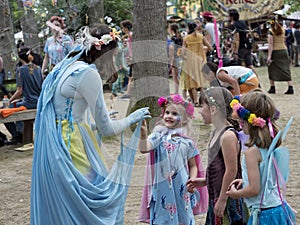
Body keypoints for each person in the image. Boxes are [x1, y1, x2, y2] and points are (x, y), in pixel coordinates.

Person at [30, 24, 151, 225]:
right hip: (70, 145)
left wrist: (93, 125)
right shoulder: (88, 74)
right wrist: (132, 118)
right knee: (88, 200)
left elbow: (68, 112)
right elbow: (107, 129)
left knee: (67, 201)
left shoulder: (66, 66)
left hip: (55, 141)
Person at [226, 92, 296, 225]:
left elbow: (254, 189)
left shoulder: (251, 152)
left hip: (264, 214)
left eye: (241, 121)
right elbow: (266, 176)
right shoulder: (270, 144)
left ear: (247, 122)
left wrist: (236, 194)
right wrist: (245, 180)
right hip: (277, 208)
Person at [138, 94, 208, 224]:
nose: (169, 116)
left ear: (185, 119)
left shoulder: (187, 142)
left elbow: (193, 165)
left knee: (183, 217)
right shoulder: (157, 136)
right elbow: (144, 148)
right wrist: (143, 134)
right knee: (163, 217)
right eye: (167, 112)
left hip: (182, 188)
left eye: (175, 114)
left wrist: (192, 180)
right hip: (162, 189)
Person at [187, 87, 249, 225]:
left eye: (202, 106)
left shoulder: (227, 136)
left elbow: (231, 170)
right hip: (215, 196)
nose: (200, 111)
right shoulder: (216, 132)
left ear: (213, 109)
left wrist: (222, 200)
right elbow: (219, 167)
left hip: (228, 199)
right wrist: (204, 181)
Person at [4, 47, 43, 145]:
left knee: (6, 110)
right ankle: (21, 131)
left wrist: (10, 100)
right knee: (16, 106)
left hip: (29, 102)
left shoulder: (20, 70)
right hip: (39, 101)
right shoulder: (38, 68)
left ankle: (18, 134)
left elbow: (19, 91)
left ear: (20, 58)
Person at [180, 22, 212, 106]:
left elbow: (183, 54)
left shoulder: (186, 38)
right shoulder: (201, 37)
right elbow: (210, 47)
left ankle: (196, 101)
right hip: (201, 61)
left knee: (193, 83)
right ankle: (203, 102)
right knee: (201, 83)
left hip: (190, 62)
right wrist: (203, 50)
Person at [266, 19, 294, 94]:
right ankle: (290, 87)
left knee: (271, 68)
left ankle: (272, 87)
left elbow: (271, 44)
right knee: (286, 69)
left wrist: (269, 56)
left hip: (275, 51)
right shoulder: (283, 30)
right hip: (284, 50)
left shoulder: (270, 31)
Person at [228, 9, 258, 78]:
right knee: (250, 65)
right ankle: (257, 80)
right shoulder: (243, 22)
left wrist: (235, 52)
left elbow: (237, 39)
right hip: (247, 45)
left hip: (241, 47)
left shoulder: (234, 25)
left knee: (242, 65)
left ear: (231, 17)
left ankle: (247, 80)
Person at [119, 19, 133, 99]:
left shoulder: (130, 35)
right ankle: (128, 93)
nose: (122, 30)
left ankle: (128, 93)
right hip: (130, 58)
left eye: (123, 28)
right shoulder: (128, 36)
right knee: (131, 76)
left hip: (133, 58)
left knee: (131, 76)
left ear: (126, 28)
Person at [168, 23, 183, 94]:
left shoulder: (173, 39)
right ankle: (178, 91)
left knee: (175, 77)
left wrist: (171, 62)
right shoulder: (179, 37)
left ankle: (177, 91)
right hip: (180, 58)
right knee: (179, 76)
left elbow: (172, 49)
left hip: (175, 58)